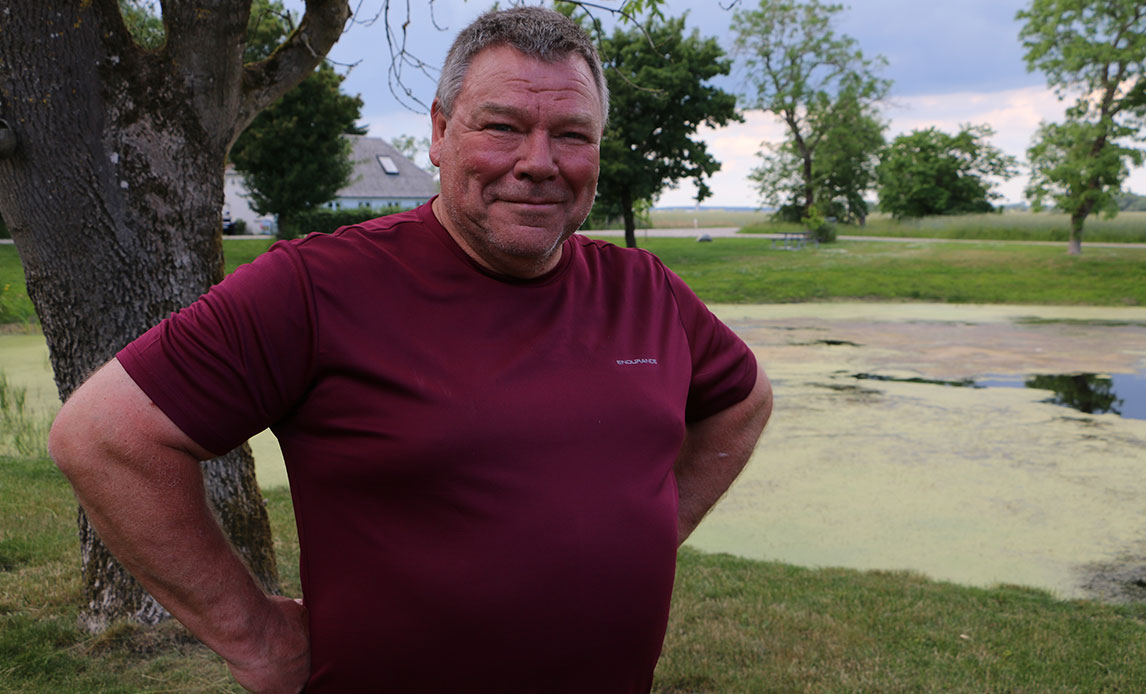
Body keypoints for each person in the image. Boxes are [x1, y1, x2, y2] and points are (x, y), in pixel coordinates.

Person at [49, 7, 772, 693]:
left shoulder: (644, 290)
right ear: (438, 130)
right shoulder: (315, 287)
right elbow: (107, 436)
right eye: (503, 126)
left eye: (573, 135)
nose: (538, 162)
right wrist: (254, 637)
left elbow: (742, 401)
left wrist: (651, 530)